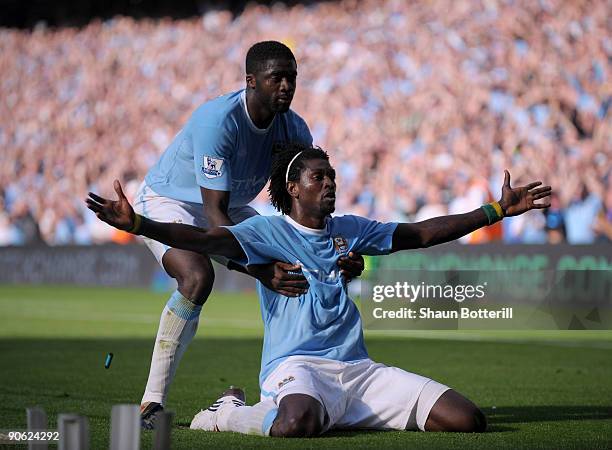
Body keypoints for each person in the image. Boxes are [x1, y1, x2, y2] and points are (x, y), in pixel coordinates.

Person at [86, 142, 552, 437]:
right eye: (318, 178)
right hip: (295, 368)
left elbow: (421, 233)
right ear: (292, 188)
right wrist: (141, 224)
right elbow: (205, 240)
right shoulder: (266, 232)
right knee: (296, 423)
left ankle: (340, 411)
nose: (330, 183)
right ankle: (226, 413)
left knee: (468, 420)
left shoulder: (350, 228)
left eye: (332, 177)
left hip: (358, 369)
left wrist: (494, 211)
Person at [130, 41, 364, 428]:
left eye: (292, 77)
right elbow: (214, 215)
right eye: (277, 78)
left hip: (231, 204)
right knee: (197, 277)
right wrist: (258, 269)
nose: (286, 86)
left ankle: (289, 384)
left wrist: (332, 255)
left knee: (289, 269)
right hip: (172, 200)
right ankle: (152, 402)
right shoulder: (218, 121)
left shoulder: (295, 129)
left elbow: (300, 215)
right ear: (251, 81)